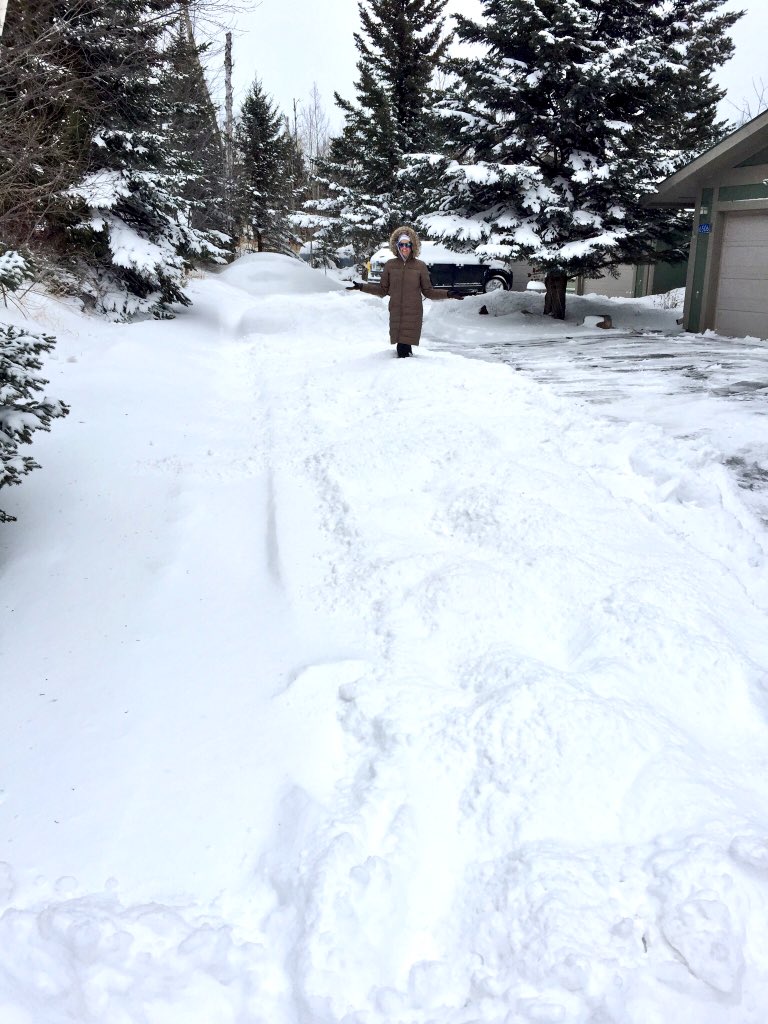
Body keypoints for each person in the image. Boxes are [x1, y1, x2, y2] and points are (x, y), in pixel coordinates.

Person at [347, 225, 462, 357]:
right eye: (401, 244)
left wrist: (449, 293)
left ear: (413, 246)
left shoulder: (420, 266)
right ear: (397, 246)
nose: (404, 248)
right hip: (396, 311)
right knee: (402, 348)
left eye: (407, 244)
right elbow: (383, 290)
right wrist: (362, 287)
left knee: (404, 347)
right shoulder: (390, 265)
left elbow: (428, 291)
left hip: (413, 312)